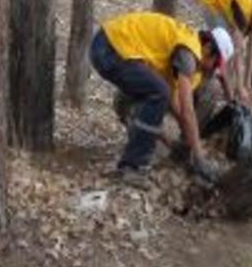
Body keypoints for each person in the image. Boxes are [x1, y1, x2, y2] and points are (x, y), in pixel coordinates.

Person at [89, 11, 235, 189]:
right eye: (215, 64)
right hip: (109, 48)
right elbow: (187, 110)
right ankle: (131, 166)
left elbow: (176, 106)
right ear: (209, 49)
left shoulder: (186, 44)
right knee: (158, 93)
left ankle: (137, 158)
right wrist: (199, 156)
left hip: (109, 46)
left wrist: (177, 140)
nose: (211, 71)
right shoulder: (188, 54)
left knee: (159, 93)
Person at [196, 0, 252, 102]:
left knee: (231, 47)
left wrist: (248, 84)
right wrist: (241, 88)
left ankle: (227, 85)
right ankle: (213, 86)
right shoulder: (244, 14)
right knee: (223, 47)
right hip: (211, 2)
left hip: (225, 6)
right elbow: (238, 53)